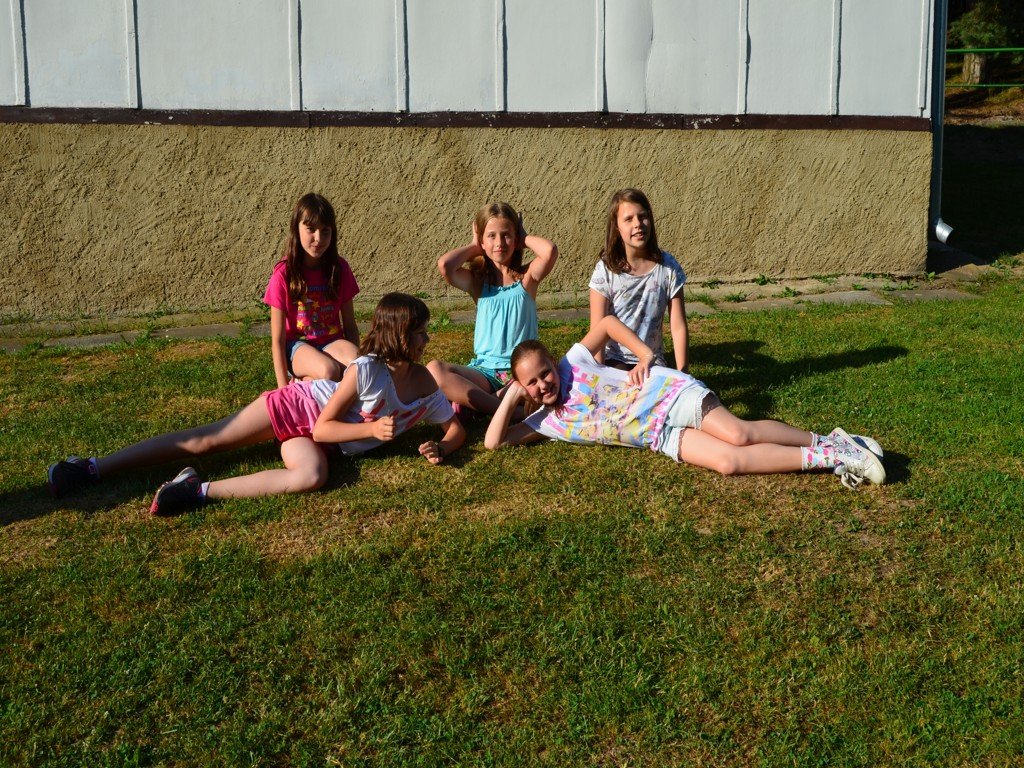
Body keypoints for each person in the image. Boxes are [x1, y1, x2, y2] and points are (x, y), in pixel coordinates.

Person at [47, 294, 465, 515]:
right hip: (302, 407)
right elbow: (323, 426)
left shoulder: (424, 383)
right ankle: (91, 467)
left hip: (325, 443)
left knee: (312, 476)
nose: (427, 339)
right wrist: (371, 430)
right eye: (420, 332)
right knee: (207, 441)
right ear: (397, 335)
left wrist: (442, 447)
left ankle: (195, 491)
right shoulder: (367, 370)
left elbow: (454, 427)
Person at [484, 316, 886, 489]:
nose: (543, 384)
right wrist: (513, 394)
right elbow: (494, 442)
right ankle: (834, 453)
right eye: (531, 383)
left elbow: (605, 324)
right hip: (657, 436)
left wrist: (644, 355)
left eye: (544, 373)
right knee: (729, 463)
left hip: (668, 394)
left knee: (738, 433)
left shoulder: (573, 363)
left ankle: (830, 444)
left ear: (553, 363)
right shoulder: (546, 423)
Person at [427, 202, 557, 416]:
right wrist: (475, 245)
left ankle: (479, 403)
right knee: (434, 370)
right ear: (482, 241)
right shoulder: (478, 283)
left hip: (521, 373)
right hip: (484, 372)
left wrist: (524, 238)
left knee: (531, 385)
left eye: (506, 235)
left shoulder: (527, 279)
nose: (499, 243)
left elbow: (549, 251)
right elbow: (445, 266)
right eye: (491, 236)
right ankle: (506, 409)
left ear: (515, 238)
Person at [264, 193, 361, 388]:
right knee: (329, 371)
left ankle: (305, 384)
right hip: (297, 346)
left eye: (325, 231)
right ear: (296, 228)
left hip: (331, 341)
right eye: (311, 229)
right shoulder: (283, 274)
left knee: (358, 366)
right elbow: (278, 339)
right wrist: (282, 389)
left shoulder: (339, 269)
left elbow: (350, 326)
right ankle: (295, 389)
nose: (318, 238)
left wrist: (359, 367)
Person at [589, 189, 689, 371]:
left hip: (653, 362)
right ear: (617, 227)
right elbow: (597, 331)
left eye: (642, 216)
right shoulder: (605, 271)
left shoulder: (669, 267)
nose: (638, 224)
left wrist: (684, 373)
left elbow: (678, 326)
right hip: (615, 361)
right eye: (628, 219)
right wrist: (600, 376)